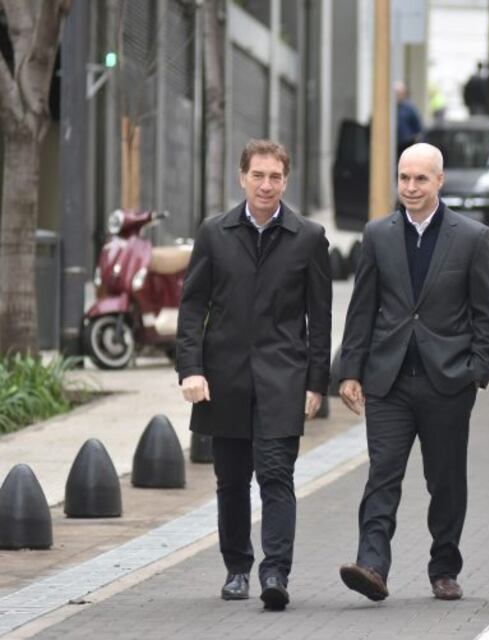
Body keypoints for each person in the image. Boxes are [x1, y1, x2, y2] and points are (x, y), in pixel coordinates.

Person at [336, 143, 489, 602]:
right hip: (387, 380)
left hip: (447, 382)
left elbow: (488, 314)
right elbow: (362, 308)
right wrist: (350, 371)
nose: (410, 187)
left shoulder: (472, 238)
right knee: (382, 474)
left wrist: (477, 372)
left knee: (444, 481)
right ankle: (372, 565)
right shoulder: (378, 234)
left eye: (420, 178)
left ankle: (444, 568)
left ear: (439, 181)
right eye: (404, 178)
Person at [176, 139, 332, 611]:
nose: (266, 185)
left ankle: (275, 572)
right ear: (242, 177)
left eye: (275, 177)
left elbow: (320, 318)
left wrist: (316, 383)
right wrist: (190, 369)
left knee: (276, 476)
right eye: (258, 175)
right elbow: (192, 307)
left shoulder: (309, 237)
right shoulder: (214, 233)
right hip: (224, 379)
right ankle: (237, 569)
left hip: (283, 378)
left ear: (287, 180)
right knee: (230, 481)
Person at [395, 81, 423, 159]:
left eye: (400, 93)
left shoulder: (410, 108)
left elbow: (418, 128)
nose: (398, 96)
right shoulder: (390, 108)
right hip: (393, 144)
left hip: (407, 144)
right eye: (396, 93)